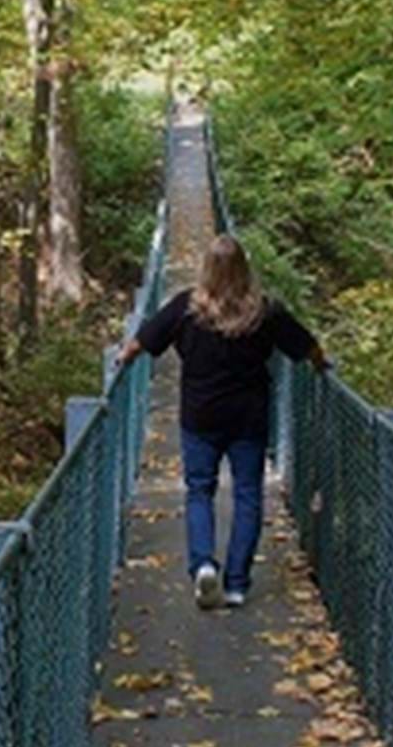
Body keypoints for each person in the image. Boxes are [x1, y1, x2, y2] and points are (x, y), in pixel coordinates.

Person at [116, 235, 327, 610]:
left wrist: (123, 358)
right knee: (247, 495)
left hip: (201, 415)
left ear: (206, 269)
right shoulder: (265, 311)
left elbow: (142, 342)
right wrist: (322, 364)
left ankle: (203, 564)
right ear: (245, 268)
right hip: (248, 416)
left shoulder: (186, 307)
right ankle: (236, 584)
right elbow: (307, 346)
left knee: (200, 491)